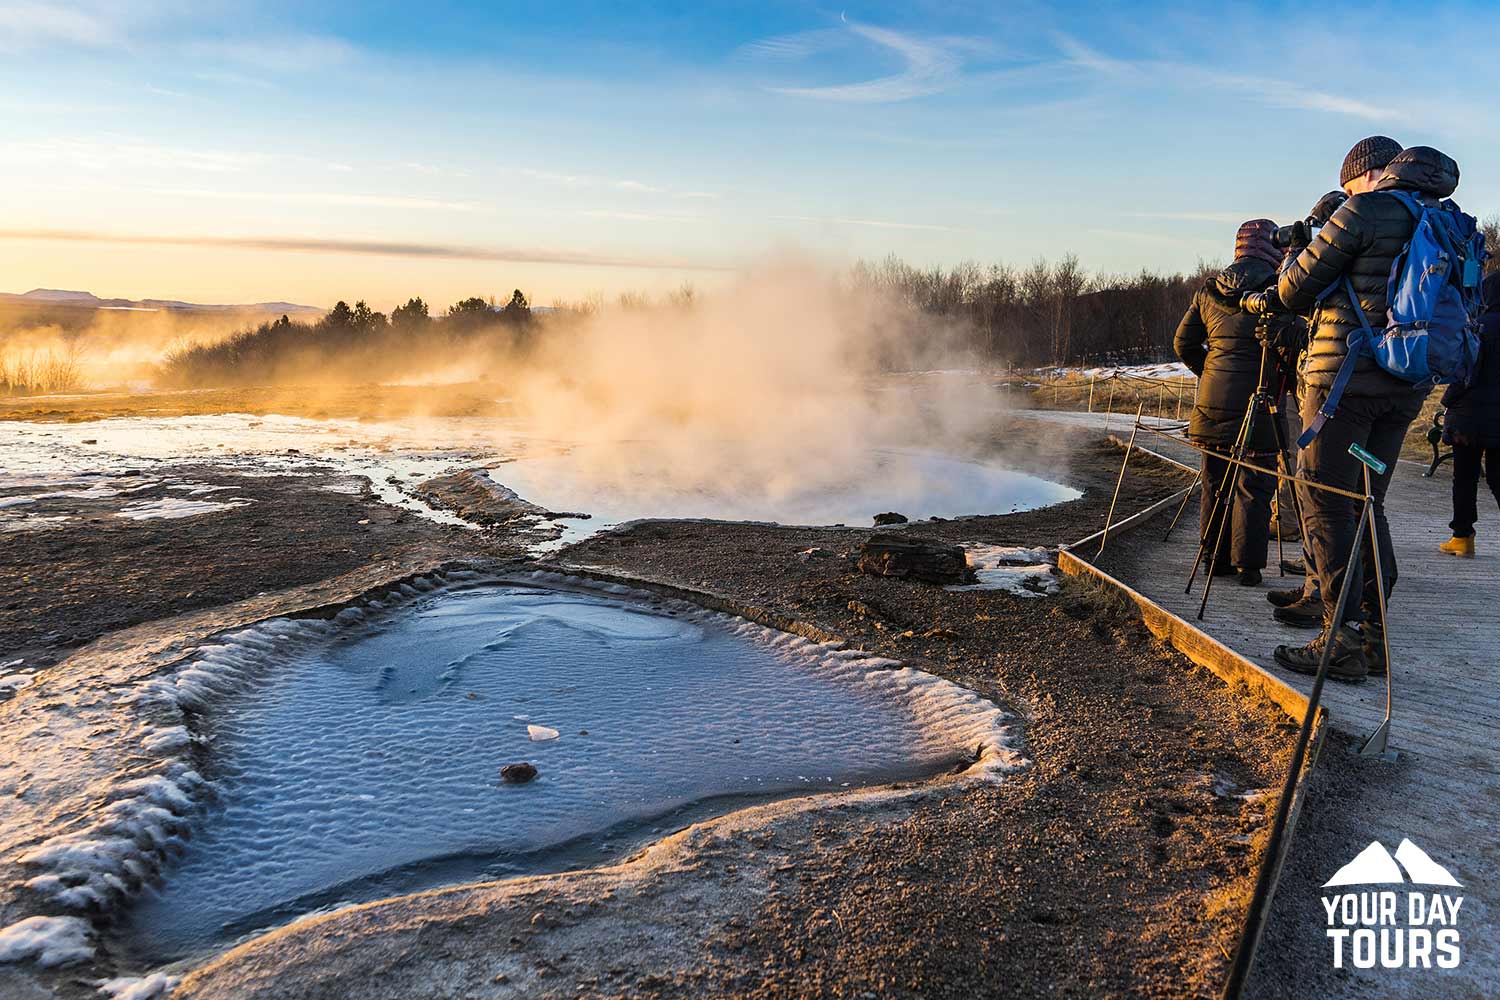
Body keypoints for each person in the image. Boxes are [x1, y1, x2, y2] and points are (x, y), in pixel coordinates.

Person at [1269, 140, 1463, 681]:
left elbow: (1292, 291)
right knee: (1366, 502)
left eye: (1352, 181)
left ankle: (1341, 637)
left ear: (1373, 174)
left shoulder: (1364, 209)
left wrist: (1298, 246)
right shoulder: (1448, 219)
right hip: (1404, 390)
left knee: (1326, 500)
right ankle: (1374, 637)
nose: (1349, 190)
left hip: (1343, 389)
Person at [1173, 220, 1282, 585]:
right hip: (1260, 399)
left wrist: (1209, 373)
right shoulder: (1279, 290)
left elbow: (1182, 344)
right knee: (1254, 484)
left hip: (1212, 402)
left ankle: (1213, 560)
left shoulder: (1209, 290)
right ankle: (1248, 567)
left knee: (1214, 481)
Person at [1437, 271, 1500, 555]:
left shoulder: (1478, 326)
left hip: (1468, 417)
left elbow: (1465, 372)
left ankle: (1463, 538)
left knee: (1465, 477)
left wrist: (1448, 400)